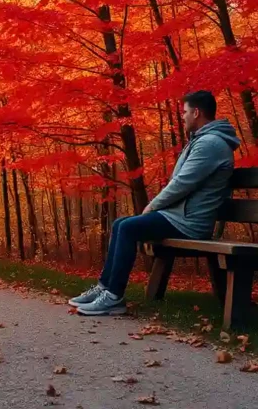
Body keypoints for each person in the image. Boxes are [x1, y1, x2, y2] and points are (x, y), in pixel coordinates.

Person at [70, 90, 241, 316]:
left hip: (190, 223)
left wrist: (153, 205)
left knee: (129, 227)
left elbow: (182, 183)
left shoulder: (210, 144)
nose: (183, 116)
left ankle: (113, 298)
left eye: (185, 112)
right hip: (180, 216)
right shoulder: (203, 141)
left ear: (197, 112)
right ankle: (105, 288)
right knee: (121, 223)